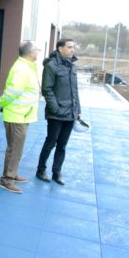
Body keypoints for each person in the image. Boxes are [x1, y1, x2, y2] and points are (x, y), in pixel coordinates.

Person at [0, 41, 41, 194]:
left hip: (22, 114)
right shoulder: (22, 69)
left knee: (17, 148)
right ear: (30, 52)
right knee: (14, 148)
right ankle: (6, 179)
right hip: (16, 115)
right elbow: (12, 92)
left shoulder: (27, 66)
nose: (39, 52)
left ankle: (12, 173)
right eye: (37, 50)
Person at [36, 39, 81, 185]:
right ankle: (40, 170)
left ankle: (57, 172)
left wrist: (77, 110)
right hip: (56, 113)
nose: (72, 50)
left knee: (62, 145)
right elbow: (46, 90)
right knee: (51, 142)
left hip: (70, 114)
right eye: (69, 47)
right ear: (60, 48)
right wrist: (56, 109)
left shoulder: (72, 66)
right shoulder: (51, 65)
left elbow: (75, 91)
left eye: (73, 47)